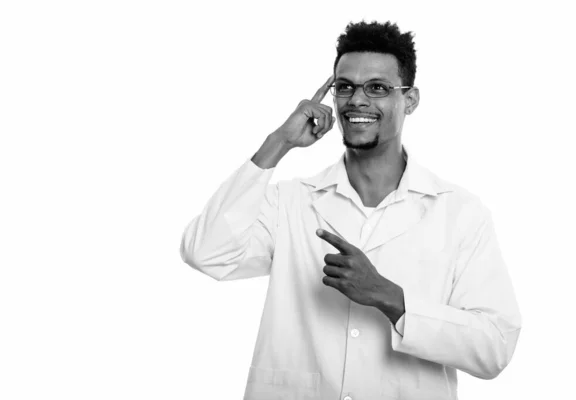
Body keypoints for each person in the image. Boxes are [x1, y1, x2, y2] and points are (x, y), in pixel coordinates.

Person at [180, 20, 521, 400]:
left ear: (409, 99)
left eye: (377, 87)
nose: (357, 100)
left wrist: (390, 298)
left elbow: (495, 347)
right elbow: (206, 252)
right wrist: (277, 144)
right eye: (345, 87)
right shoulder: (292, 203)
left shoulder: (459, 214)